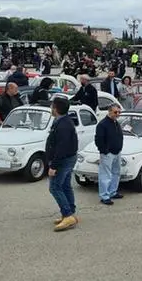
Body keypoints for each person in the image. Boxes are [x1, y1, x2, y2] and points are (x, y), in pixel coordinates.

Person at [46, 97, 79, 232]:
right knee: (65, 186)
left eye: (52, 106)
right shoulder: (62, 121)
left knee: (54, 187)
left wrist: (54, 166)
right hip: (67, 158)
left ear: (56, 108)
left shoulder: (63, 124)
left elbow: (61, 147)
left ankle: (67, 214)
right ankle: (70, 212)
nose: (51, 108)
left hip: (63, 160)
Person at [95, 104, 124, 205]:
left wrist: (120, 148)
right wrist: (104, 151)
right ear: (109, 111)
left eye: (119, 112)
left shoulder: (116, 123)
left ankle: (112, 192)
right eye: (115, 112)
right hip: (108, 153)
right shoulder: (102, 124)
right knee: (105, 174)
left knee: (116, 172)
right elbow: (98, 140)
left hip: (117, 152)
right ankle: (104, 196)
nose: (118, 114)